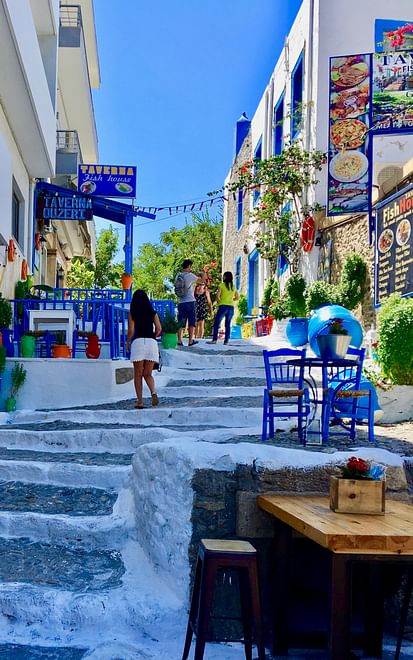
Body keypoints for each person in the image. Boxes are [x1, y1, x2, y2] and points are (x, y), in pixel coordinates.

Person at [126, 289, 161, 409]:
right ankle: (153, 392)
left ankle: (140, 401)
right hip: (151, 343)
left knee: (138, 374)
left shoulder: (132, 313)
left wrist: (127, 342)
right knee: (148, 373)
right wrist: (153, 336)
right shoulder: (153, 313)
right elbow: (159, 328)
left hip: (138, 342)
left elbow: (131, 331)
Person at [175, 259, 203, 347]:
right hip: (190, 301)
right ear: (189, 266)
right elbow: (201, 281)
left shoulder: (178, 275)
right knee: (191, 321)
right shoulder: (190, 275)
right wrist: (203, 275)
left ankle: (179, 340)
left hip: (181, 302)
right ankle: (190, 341)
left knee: (180, 322)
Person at [207, 271, 239, 345]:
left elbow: (218, 296)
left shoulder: (221, 285)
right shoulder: (233, 286)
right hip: (231, 307)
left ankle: (214, 340)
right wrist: (231, 300)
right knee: (227, 324)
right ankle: (226, 341)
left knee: (216, 323)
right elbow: (237, 297)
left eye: (224, 276)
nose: (223, 277)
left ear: (225, 277)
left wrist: (219, 303)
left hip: (223, 306)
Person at [194, 275, 214, 339]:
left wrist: (211, 311)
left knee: (201, 324)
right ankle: (195, 337)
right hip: (195, 309)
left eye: (202, 284)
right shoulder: (194, 291)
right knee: (195, 324)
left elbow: (209, 302)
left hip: (202, 309)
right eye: (199, 284)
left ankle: (200, 338)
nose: (200, 285)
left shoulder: (206, 291)